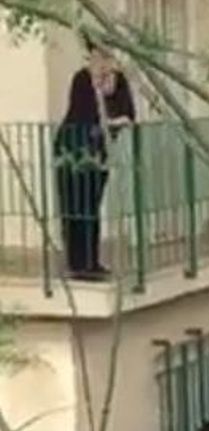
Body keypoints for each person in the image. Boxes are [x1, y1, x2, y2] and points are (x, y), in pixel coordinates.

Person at [54, 40, 135, 280]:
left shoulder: (119, 81)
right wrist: (98, 88)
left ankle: (91, 261)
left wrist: (110, 121)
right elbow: (82, 113)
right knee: (73, 206)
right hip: (72, 149)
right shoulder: (82, 79)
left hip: (98, 151)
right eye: (96, 57)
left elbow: (128, 115)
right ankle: (75, 263)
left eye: (105, 57)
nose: (101, 62)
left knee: (91, 206)